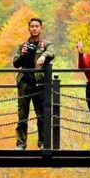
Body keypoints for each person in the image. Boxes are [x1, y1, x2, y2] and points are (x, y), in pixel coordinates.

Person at [12, 17, 54, 149]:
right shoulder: (22, 46)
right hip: (25, 82)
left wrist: (43, 56)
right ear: (29, 28)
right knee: (22, 115)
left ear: (41, 28)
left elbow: (51, 53)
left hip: (39, 83)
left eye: (37, 26)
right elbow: (15, 63)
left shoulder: (46, 44)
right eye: (32, 26)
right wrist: (23, 54)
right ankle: (21, 144)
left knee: (41, 114)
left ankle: (42, 142)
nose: (34, 28)